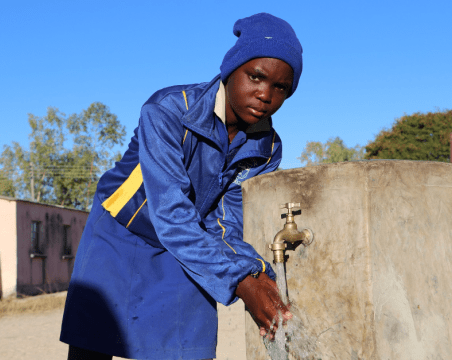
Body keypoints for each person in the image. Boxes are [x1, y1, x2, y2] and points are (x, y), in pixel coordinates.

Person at [60, 12, 303, 360]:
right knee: (94, 342)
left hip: (188, 240)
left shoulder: (265, 149)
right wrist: (242, 283)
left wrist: (255, 273)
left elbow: (225, 224)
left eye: (281, 88)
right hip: (121, 232)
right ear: (230, 70)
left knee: (190, 348)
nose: (265, 95)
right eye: (256, 76)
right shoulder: (169, 111)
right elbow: (171, 212)